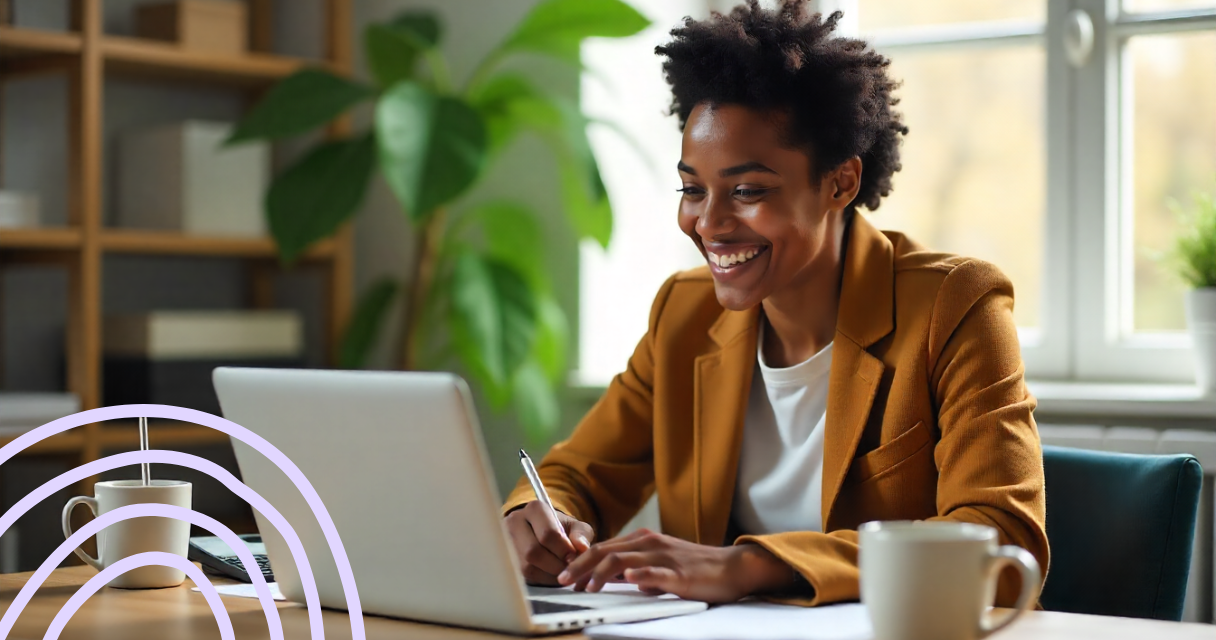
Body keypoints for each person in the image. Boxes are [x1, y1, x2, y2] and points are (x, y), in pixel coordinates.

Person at [502, 0, 1048, 606]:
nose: (709, 223)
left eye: (747, 191)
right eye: (692, 189)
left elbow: (1000, 545)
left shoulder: (955, 307)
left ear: (840, 182)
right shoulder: (684, 315)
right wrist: (535, 518)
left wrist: (753, 565)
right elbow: (576, 475)